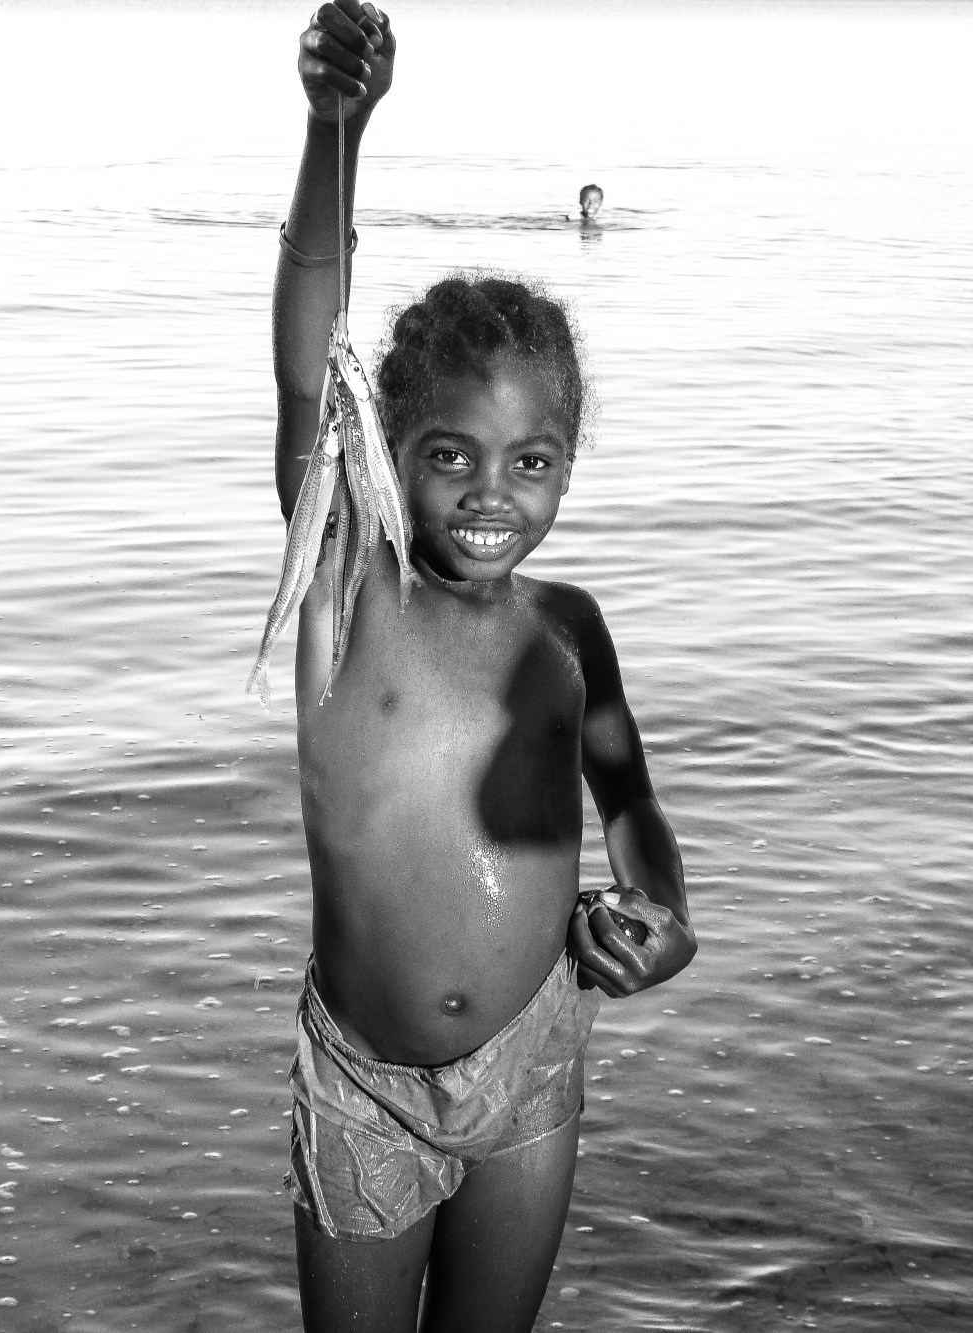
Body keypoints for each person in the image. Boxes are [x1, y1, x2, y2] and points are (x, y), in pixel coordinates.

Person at [269, 4, 697, 1330]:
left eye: (533, 461)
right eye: (451, 452)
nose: (493, 493)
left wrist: (663, 910)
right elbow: (303, 370)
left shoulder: (571, 628)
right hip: (366, 1082)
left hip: (534, 1057)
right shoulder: (352, 587)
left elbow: (630, 803)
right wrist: (336, 130)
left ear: (568, 463)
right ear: (389, 445)